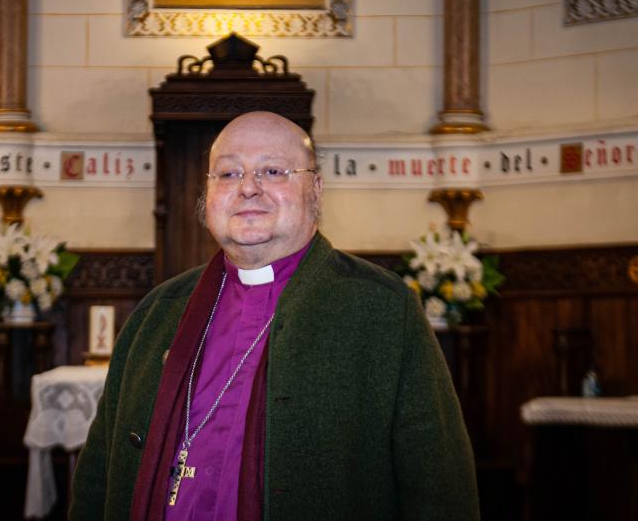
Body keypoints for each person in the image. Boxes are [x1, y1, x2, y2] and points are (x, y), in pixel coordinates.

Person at [70, 111, 479, 520]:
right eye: (228, 174)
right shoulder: (158, 311)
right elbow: (98, 475)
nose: (248, 188)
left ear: (315, 190)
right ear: (207, 194)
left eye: (273, 170)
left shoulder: (382, 309)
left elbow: (439, 490)